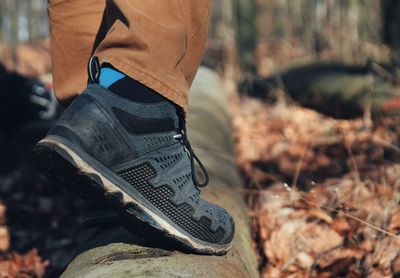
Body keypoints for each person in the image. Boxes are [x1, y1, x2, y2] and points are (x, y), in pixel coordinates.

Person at [34, 0, 235, 255]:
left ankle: (97, 139)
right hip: (143, 80)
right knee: (141, 79)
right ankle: (140, 103)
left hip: (87, 106)